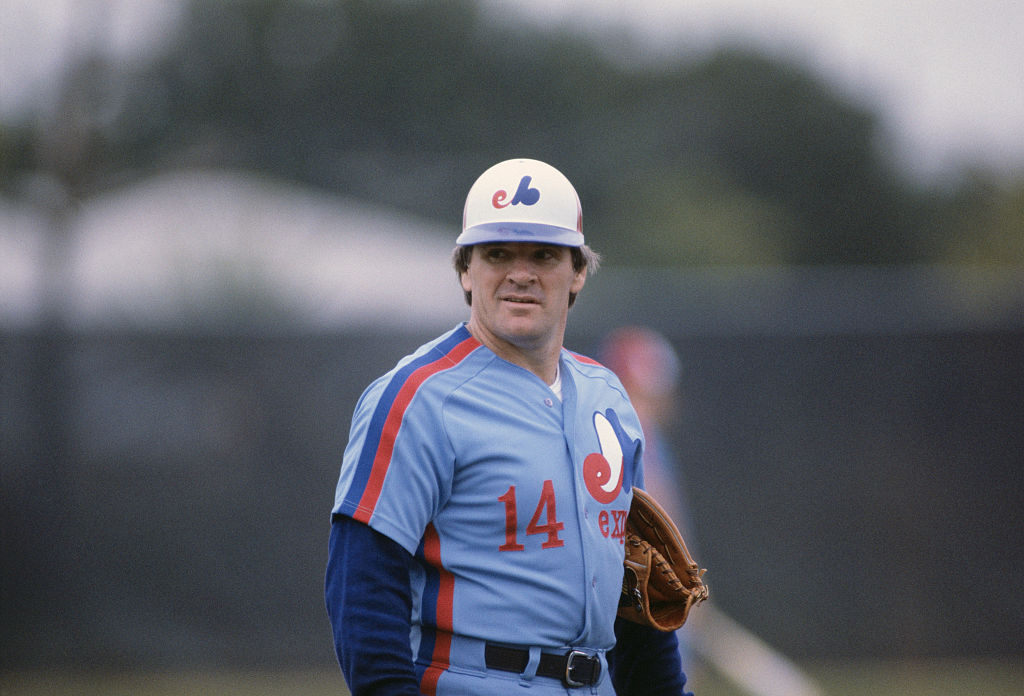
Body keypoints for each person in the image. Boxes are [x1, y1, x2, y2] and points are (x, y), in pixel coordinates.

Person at [325, 158, 692, 695]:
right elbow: (362, 590)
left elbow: (635, 598)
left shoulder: (608, 397)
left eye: (543, 254)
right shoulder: (418, 397)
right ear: (465, 270)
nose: (521, 273)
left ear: (579, 271)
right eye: (498, 253)